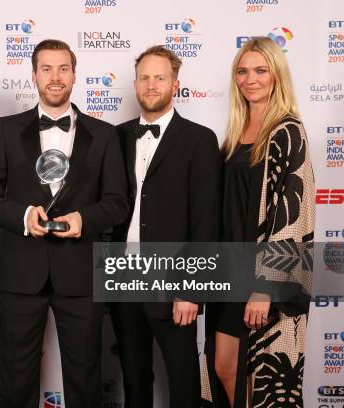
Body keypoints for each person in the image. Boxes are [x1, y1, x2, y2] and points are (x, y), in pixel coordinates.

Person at [0, 39, 129, 408]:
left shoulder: (104, 134)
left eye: (63, 68)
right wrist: (25, 216)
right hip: (21, 271)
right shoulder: (8, 129)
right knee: (15, 376)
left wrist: (84, 219)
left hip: (79, 271)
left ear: (74, 75)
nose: (55, 77)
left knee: (86, 377)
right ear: (33, 75)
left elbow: (118, 203)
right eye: (46, 68)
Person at [202, 36, 314, 407]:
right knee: (223, 368)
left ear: (276, 75)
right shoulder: (235, 133)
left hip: (261, 275)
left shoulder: (287, 131)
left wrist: (265, 286)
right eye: (242, 71)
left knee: (262, 377)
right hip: (228, 271)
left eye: (260, 70)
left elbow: (294, 216)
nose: (250, 79)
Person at [111, 45, 222, 408]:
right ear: (135, 84)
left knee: (183, 384)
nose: (151, 84)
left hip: (175, 283)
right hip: (122, 277)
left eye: (160, 77)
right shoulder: (117, 136)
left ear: (175, 84)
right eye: (144, 77)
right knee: (134, 383)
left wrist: (191, 288)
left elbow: (207, 221)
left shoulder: (199, 139)